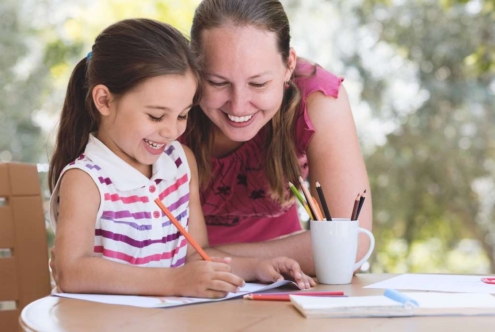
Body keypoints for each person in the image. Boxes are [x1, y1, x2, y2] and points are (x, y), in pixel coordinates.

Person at [48, 18, 314, 297]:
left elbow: (196, 256)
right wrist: (174, 281)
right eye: (155, 116)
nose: (171, 130)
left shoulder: (180, 163)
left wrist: (258, 267)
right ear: (104, 100)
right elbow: (71, 271)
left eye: (183, 115)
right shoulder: (86, 179)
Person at [181, 0, 372, 274]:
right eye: (218, 83)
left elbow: (350, 245)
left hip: (280, 277)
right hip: (180, 282)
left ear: (288, 65)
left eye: (258, 83)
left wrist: (203, 256)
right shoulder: (167, 99)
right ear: (194, 69)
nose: (239, 105)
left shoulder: (317, 99)